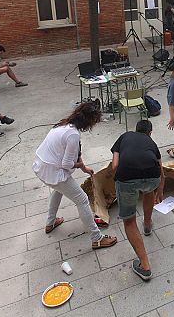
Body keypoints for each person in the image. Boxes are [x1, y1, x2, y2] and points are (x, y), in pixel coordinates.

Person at [32, 102, 118, 248]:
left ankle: (50, 222)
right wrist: (79, 165)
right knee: (82, 200)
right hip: (54, 172)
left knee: (58, 190)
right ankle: (97, 238)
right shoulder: (73, 134)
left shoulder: (64, 125)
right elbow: (67, 164)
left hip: (42, 166)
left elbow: (75, 154)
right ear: (89, 121)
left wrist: (84, 167)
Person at [111, 120, 165, 281]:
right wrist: (160, 189)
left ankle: (145, 266)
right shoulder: (151, 142)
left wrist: (121, 183)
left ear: (135, 130)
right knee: (148, 191)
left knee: (129, 221)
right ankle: (147, 225)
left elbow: (115, 166)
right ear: (150, 132)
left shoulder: (124, 137)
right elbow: (161, 169)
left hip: (127, 177)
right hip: (152, 178)